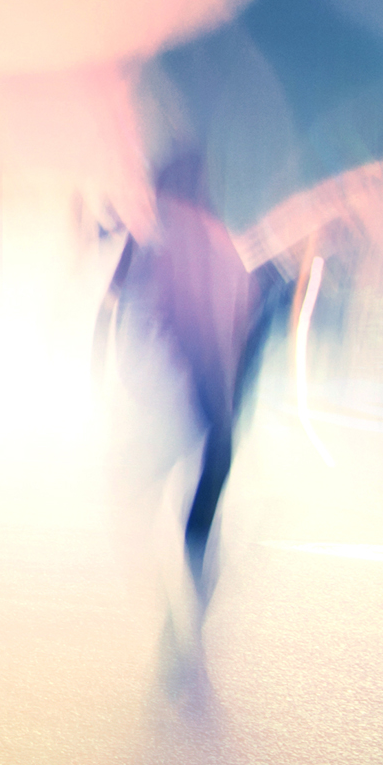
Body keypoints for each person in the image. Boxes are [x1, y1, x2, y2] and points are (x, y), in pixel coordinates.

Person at [109, 148, 277, 599]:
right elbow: (160, 288)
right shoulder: (184, 229)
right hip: (202, 344)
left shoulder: (194, 226)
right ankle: (196, 535)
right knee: (219, 439)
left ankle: (193, 529)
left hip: (210, 343)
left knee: (216, 437)